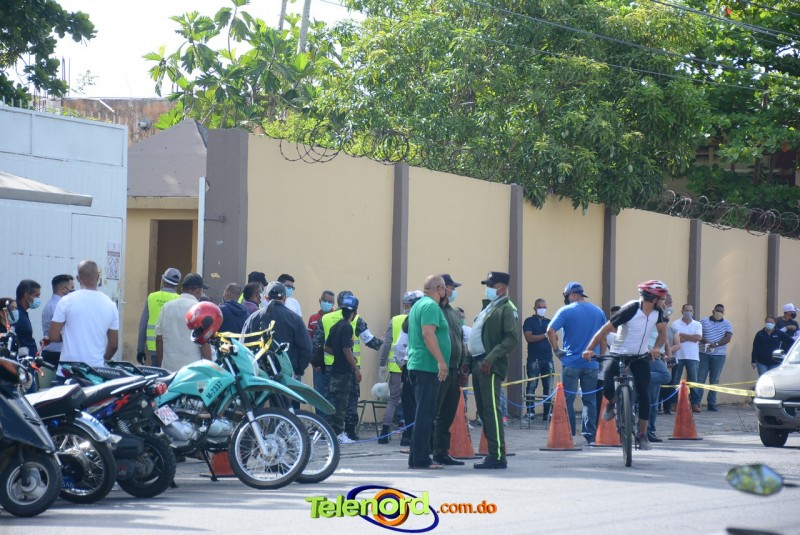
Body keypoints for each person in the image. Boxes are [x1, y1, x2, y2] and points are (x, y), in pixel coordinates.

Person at [583, 280, 670, 452]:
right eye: (663, 298)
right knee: (608, 388)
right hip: (618, 354)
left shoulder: (658, 312)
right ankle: (612, 403)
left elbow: (662, 333)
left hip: (640, 356)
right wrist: (589, 349)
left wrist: (656, 348)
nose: (665, 302)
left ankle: (643, 434)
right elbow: (604, 330)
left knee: (644, 393)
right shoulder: (630, 309)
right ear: (653, 299)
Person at [314, 290, 383, 441]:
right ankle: (349, 431)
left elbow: (318, 343)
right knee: (350, 399)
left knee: (331, 399)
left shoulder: (326, 318)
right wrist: (383, 341)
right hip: (349, 367)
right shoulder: (355, 320)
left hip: (330, 366)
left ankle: (329, 430)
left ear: (338, 303)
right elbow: (370, 341)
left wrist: (318, 362)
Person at [468, 271, 520, 469]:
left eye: (491, 285)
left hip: (490, 364)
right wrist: (467, 361)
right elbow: (476, 336)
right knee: (483, 410)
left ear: (502, 288)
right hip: (478, 363)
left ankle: (497, 455)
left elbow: (511, 338)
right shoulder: (489, 307)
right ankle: (493, 453)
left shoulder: (507, 308)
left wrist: (491, 357)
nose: (487, 289)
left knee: (491, 410)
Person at [547, 281, 606, 445]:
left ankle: (568, 433)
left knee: (567, 400)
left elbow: (550, 330)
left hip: (571, 362)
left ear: (572, 295)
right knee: (590, 401)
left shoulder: (566, 311)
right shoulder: (598, 311)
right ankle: (590, 436)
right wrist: (601, 358)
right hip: (591, 363)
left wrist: (556, 350)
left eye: (567, 296)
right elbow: (603, 337)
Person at [406, 275, 450, 470]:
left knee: (422, 413)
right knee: (425, 414)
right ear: (439, 288)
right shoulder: (431, 306)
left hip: (419, 365)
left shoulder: (418, 305)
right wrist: (441, 361)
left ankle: (416, 457)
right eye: (445, 289)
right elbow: (427, 333)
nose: (446, 292)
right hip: (427, 366)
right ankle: (422, 459)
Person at [47, 260, 119, 369]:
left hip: (68, 369)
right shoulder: (111, 305)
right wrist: (103, 359)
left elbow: (52, 336)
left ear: (78, 278)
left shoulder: (66, 301)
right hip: (95, 370)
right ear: (98, 277)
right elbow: (114, 345)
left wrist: (67, 336)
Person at [242, 281, 312, 386]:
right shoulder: (295, 319)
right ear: (284, 298)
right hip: (286, 377)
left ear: (266, 298)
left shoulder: (253, 318)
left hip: (259, 376)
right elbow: (307, 349)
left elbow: (243, 346)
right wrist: (298, 370)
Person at [432, 274, 469, 465]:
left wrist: (464, 365)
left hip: (454, 370)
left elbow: (460, 340)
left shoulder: (454, 313)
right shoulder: (432, 308)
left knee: (447, 414)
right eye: (451, 288)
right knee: (433, 411)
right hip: (438, 369)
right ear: (442, 288)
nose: (453, 291)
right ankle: (427, 451)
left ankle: (441, 452)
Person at [377, 290, 418, 444]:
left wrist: (382, 365)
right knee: (412, 401)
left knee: (393, 400)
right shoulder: (418, 318)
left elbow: (387, 344)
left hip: (395, 366)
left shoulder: (395, 320)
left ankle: (384, 433)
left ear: (404, 305)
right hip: (412, 366)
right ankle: (409, 433)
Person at [324, 294, 361, 444]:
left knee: (334, 403)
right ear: (354, 312)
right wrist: (356, 369)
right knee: (341, 404)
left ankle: (333, 432)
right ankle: (338, 433)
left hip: (334, 370)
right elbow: (346, 349)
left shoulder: (336, 326)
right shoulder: (347, 327)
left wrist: (339, 354)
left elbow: (327, 347)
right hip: (344, 373)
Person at [155, 273, 211, 370]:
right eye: (201, 291)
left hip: (169, 368)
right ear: (197, 291)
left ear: (182, 289)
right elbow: (204, 345)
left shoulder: (166, 307)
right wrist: (210, 370)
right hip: (192, 370)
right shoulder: (199, 309)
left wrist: (161, 366)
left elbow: (159, 340)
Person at [646, 293, 675, 443]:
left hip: (659, 355)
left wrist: (668, 357)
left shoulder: (661, 317)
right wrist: (650, 349)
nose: (668, 306)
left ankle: (649, 430)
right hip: (648, 355)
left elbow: (665, 339)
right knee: (665, 377)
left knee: (653, 399)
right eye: (667, 302)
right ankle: (639, 377)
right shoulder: (648, 315)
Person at [136, 267, 181, 365]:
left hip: (154, 348)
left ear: (163, 280)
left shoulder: (152, 297)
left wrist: (140, 349)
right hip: (173, 348)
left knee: (157, 373)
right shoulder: (179, 300)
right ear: (177, 284)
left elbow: (143, 324)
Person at [40, 274, 74, 387]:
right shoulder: (58, 306)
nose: (74, 292)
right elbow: (62, 332)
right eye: (72, 288)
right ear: (64, 289)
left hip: (51, 353)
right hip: (56, 354)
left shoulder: (52, 304)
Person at [698, 303, 733, 411]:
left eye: (721, 311)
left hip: (719, 355)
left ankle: (712, 403)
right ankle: (696, 402)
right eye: (717, 310)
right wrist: (705, 341)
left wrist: (716, 344)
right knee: (700, 378)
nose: (719, 313)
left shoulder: (727, 323)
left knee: (715, 379)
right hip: (704, 353)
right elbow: (698, 334)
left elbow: (728, 338)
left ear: (723, 313)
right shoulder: (704, 321)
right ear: (713, 311)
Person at [523, 298, 553, 422]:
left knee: (549, 387)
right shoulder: (529, 321)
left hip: (548, 358)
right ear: (535, 308)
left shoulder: (549, 322)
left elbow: (554, 337)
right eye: (540, 307)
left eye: (544, 307)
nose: (542, 309)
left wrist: (550, 335)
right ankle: (530, 413)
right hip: (534, 359)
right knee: (531, 386)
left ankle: (548, 414)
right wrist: (545, 335)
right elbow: (529, 338)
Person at [671, 303, 703, 413]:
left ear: (693, 312)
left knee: (693, 381)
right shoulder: (675, 323)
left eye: (690, 310)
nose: (688, 312)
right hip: (678, 356)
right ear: (682, 311)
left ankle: (694, 404)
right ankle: (673, 403)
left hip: (693, 356)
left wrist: (682, 335)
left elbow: (698, 337)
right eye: (686, 310)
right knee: (675, 380)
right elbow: (676, 339)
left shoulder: (697, 324)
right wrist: (690, 337)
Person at [307, 290, 335, 400]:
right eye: (325, 300)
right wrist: (313, 361)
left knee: (333, 394)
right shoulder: (313, 318)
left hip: (334, 363)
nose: (327, 303)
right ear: (320, 301)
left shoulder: (336, 318)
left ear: (333, 304)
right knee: (319, 394)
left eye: (330, 302)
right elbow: (309, 341)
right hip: (318, 363)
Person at [14, 279, 42, 358]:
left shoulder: (22, 313)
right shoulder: (16, 314)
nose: (38, 299)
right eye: (37, 295)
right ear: (26, 295)